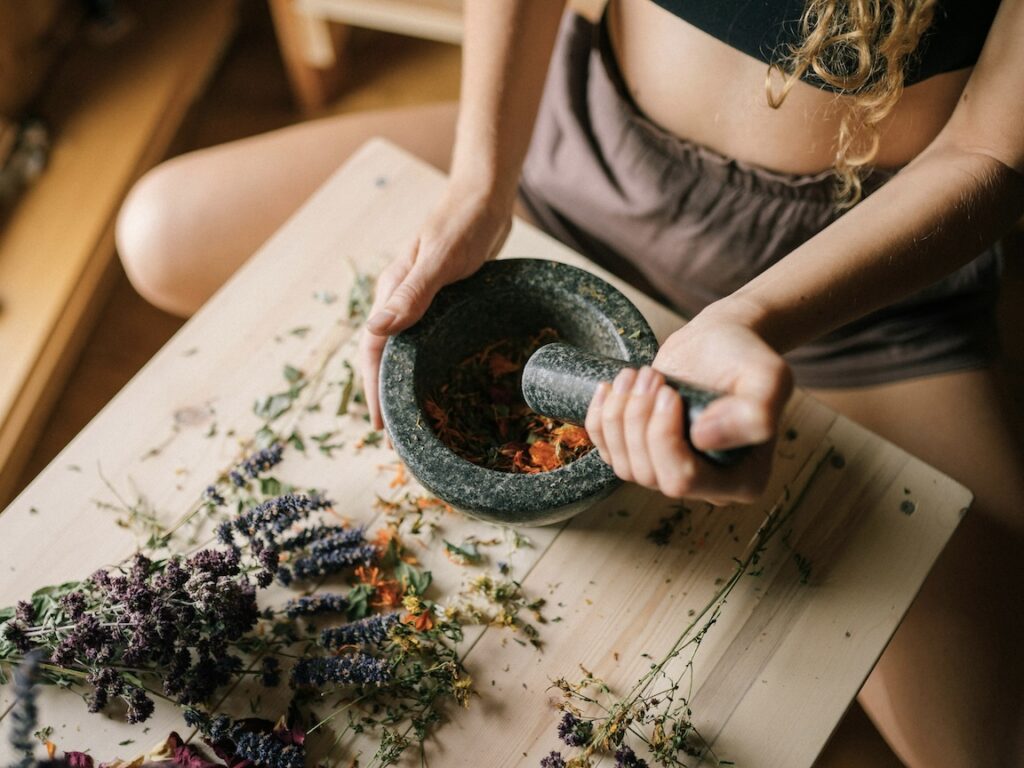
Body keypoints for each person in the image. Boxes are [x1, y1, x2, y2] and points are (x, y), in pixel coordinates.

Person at [116, 1, 1024, 765]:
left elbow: (989, 152)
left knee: (988, 744)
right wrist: (481, 182)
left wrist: (751, 320)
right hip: (575, 160)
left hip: (847, 290)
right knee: (159, 230)